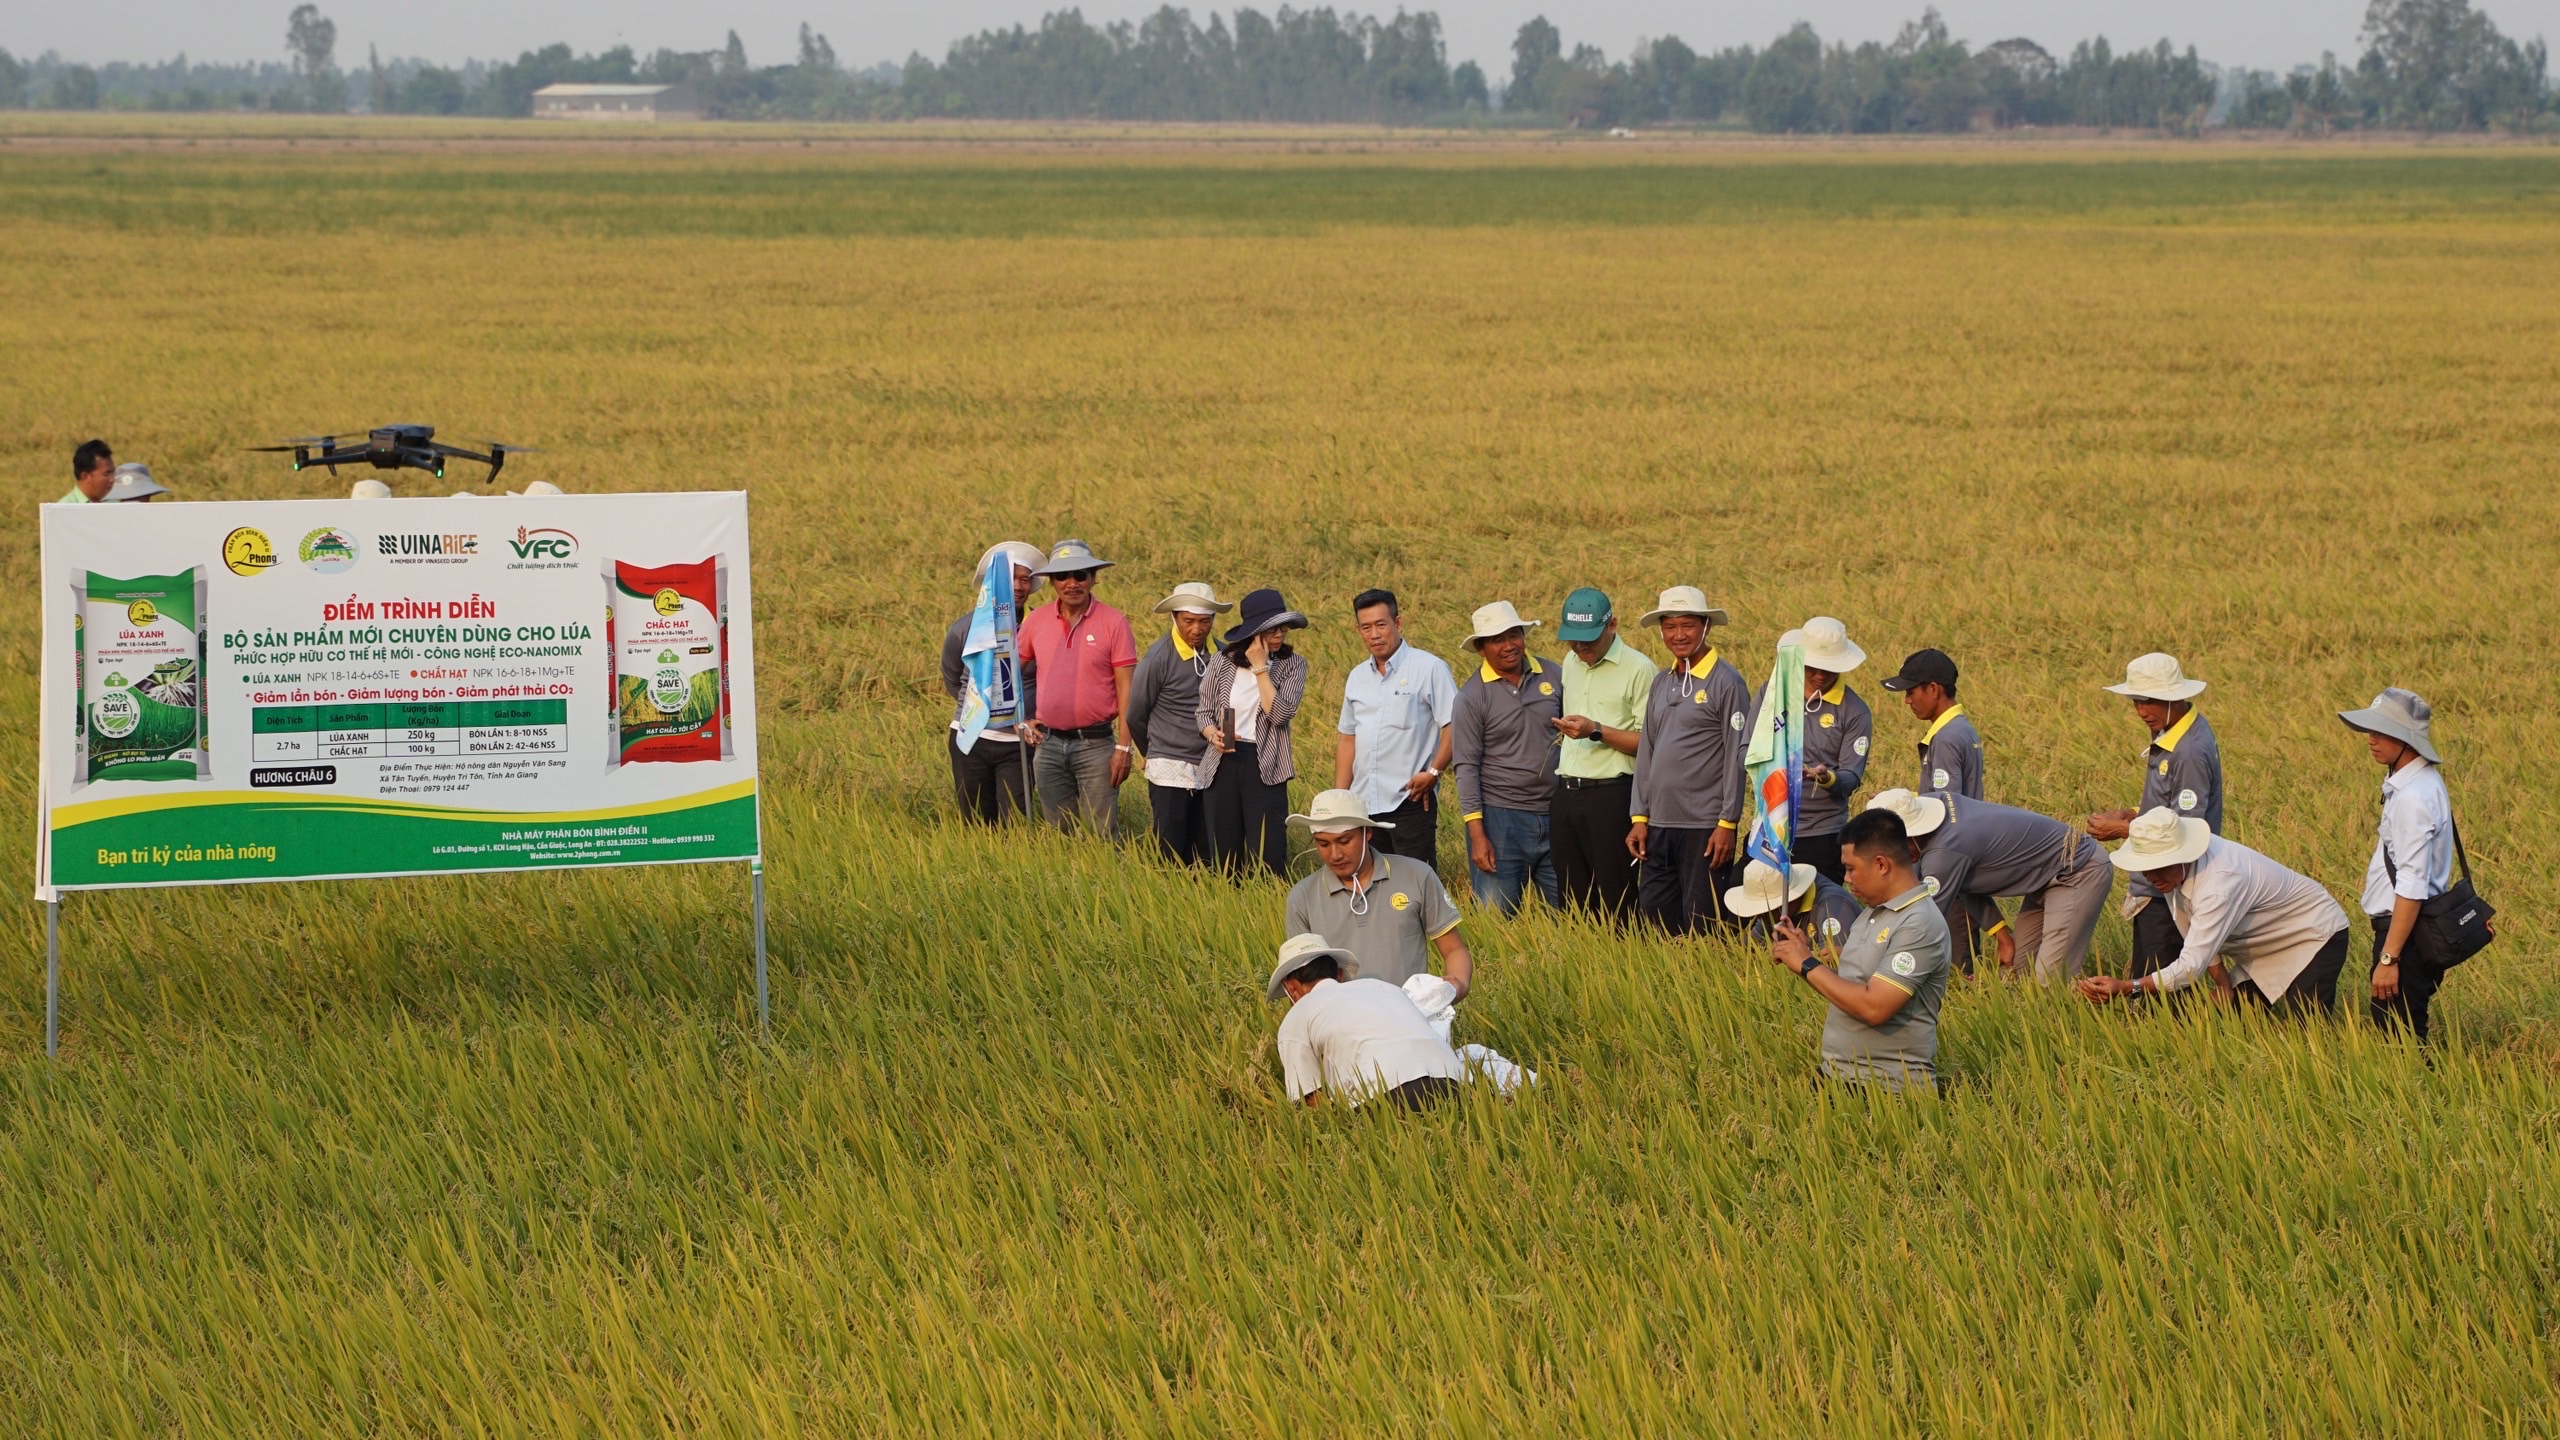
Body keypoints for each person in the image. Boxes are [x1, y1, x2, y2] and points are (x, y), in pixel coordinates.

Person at [2076, 808, 2349, 1015]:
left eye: (2158, 866)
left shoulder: (2218, 883)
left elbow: (2191, 965)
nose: (2150, 876)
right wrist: (2222, 984)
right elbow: (2196, 931)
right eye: (2145, 867)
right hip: (2264, 945)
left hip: (2314, 933)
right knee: (2241, 1016)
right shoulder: (2172, 872)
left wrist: (2128, 987)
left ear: (2181, 856)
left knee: (2304, 1026)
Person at [1767, 808, 1953, 1091]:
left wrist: (1807, 964)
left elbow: (1874, 1007)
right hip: (1838, 1076)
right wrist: (1805, 957)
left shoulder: (1919, 923)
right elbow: (1854, 987)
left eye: (1851, 868)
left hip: (1886, 1091)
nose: (1846, 878)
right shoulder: (1872, 912)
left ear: (1881, 864)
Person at [1866, 787, 2110, 982]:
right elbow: (1965, 882)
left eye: (1895, 849)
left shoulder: (1945, 851)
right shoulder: (1934, 804)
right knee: (2019, 971)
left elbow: (1921, 921)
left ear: (1911, 835)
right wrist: (2004, 938)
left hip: (2077, 870)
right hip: (2042, 877)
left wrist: (1871, 957)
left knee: (2051, 977)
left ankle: (2069, 1030)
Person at [2340, 688, 2470, 1041]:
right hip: (2409, 932)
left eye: (2382, 732)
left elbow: (2412, 882)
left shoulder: (2413, 797)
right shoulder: (2417, 782)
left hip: (2405, 936)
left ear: (2406, 739)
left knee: (2399, 1043)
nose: (2371, 739)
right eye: (2371, 730)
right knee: (2403, 1035)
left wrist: (2389, 959)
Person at [2085, 654, 2224, 979]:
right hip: (2158, 882)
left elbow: (2185, 829)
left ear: (2174, 696)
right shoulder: (2170, 727)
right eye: (2136, 701)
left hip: (2169, 887)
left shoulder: (2189, 750)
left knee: (2158, 992)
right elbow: (2167, 806)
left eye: (2150, 701)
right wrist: (2132, 812)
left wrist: (2122, 828)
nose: (2141, 711)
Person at [1626, 586, 1751, 934]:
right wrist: (1640, 816)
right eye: (1670, 626)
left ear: (1706, 627)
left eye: (1688, 625)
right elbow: (1648, 749)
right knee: (1655, 917)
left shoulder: (1727, 682)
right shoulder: (1662, 681)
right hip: (1658, 824)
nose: (1678, 635)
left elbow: (1736, 756)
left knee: (1702, 923)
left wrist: (1727, 823)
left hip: (1704, 828)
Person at [1282, 789, 1474, 994]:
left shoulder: (1416, 876)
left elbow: (1453, 949)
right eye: (1323, 844)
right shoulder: (1302, 897)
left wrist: (1457, 985)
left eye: (1345, 841)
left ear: (1368, 833)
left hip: (1409, 1016)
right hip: (1341, 1021)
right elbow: (1302, 979)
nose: (1335, 854)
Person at [1017, 538, 1140, 838]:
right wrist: (1019, 720)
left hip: (1096, 746)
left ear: (1093, 578)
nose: (1072, 583)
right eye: (1062, 576)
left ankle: (1106, 885)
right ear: (1052, 582)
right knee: (1059, 833)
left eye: (1080, 574)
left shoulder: (1114, 623)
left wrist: (1124, 747)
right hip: (1048, 746)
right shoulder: (1036, 621)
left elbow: (1128, 690)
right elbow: (1009, 677)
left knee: (1101, 833)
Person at [1267, 934, 1466, 1111]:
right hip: (1455, 1082)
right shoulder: (1385, 987)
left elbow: (1310, 1100)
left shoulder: (1296, 1016)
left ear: (1291, 988)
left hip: (1388, 1095)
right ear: (1339, 974)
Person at [1451, 600, 1562, 915]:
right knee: (1497, 917)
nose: (1509, 645)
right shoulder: (1472, 697)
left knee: (1567, 915)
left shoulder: (1554, 675)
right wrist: (1477, 835)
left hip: (1556, 813)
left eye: (1514, 634)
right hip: (1501, 819)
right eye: (1497, 640)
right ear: (1481, 649)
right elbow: (1466, 767)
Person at [1334, 588, 1458, 868]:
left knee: (1416, 884)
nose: (1374, 634)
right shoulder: (1356, 677)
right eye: (1366, 627)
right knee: (1371, 883)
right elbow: (1348, 739)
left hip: (1410, 799)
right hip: (1363, 803)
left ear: (1397, 623)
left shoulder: (1429, 668)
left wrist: (1433, 773)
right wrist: (1340, 799)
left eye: (1381, 624)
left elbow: (1454, 724)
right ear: (1358, 630)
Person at [1551, 586, 1655, 921]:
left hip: (1611, 795)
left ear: (1612, 626)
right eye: (1574, 640)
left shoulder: (1639, 669)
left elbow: (1649, 743)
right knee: (1572, 896)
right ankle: (1583, 963)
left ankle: (1624, 964)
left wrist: (1596, 730)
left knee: (1617, 894)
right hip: (1567, 791)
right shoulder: (1571, 661)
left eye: (1588, 640)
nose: (1580, 648)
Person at [1195, 589, 1310, 877]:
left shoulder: (1293, 665)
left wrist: (1261, 668)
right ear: (1254, 631)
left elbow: (1279, 715)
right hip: (1224, 760)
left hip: (1266, 763)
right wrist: (1212, 735)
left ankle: (1267, 906)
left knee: (1268, 852)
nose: (1280, 634)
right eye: (1272, 628)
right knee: (1224, 855)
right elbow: (1203, 712)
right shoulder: (1223, 661)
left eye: (1283, 627)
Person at [1125, 582, 1234, 864]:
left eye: (1204, 621)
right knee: (1171, 846)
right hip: (1169, 765)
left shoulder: (1223, 656)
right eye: (1189, 621)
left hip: (1211, 764)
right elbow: (1135, 714)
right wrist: (1151, 752)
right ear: (1174, 617)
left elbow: (1230, 706)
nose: (1196, 629)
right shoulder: (1158, 658)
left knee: (1206, 846)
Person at [939, 541, 1046, 826]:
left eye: (1025, 579)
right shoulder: (964, 628)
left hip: (1020, 741)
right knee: (976, 823)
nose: (1019, 586)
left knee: (1017, 822)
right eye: (1011, 577)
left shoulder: (1040, 627)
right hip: (971, 738)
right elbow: (953, 677)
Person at [1784, 617, 1874, 883]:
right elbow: (1747, 750)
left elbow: (1851, 777)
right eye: (1814, 666)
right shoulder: (1775, 694)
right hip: (1771, 827)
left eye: (1829, 668)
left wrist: (1826, 778)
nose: (1820, 675)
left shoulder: (1855, 712)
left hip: (1822, 834)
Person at [1880, 648, 1983, 800]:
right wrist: (1898, 801)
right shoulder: (1963, 728)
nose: (1907, 700)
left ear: (1933, 689)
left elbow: (1948, 806)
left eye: (1910, 692)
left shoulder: (1946, 738)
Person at [1724, 859, 1862, 955]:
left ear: (1787, 900)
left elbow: (1836, 966)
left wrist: (1804, 952)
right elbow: (1748, 947)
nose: (1759, 916)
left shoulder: (1833, 906)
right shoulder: (1772, 915)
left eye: (1764, 911)